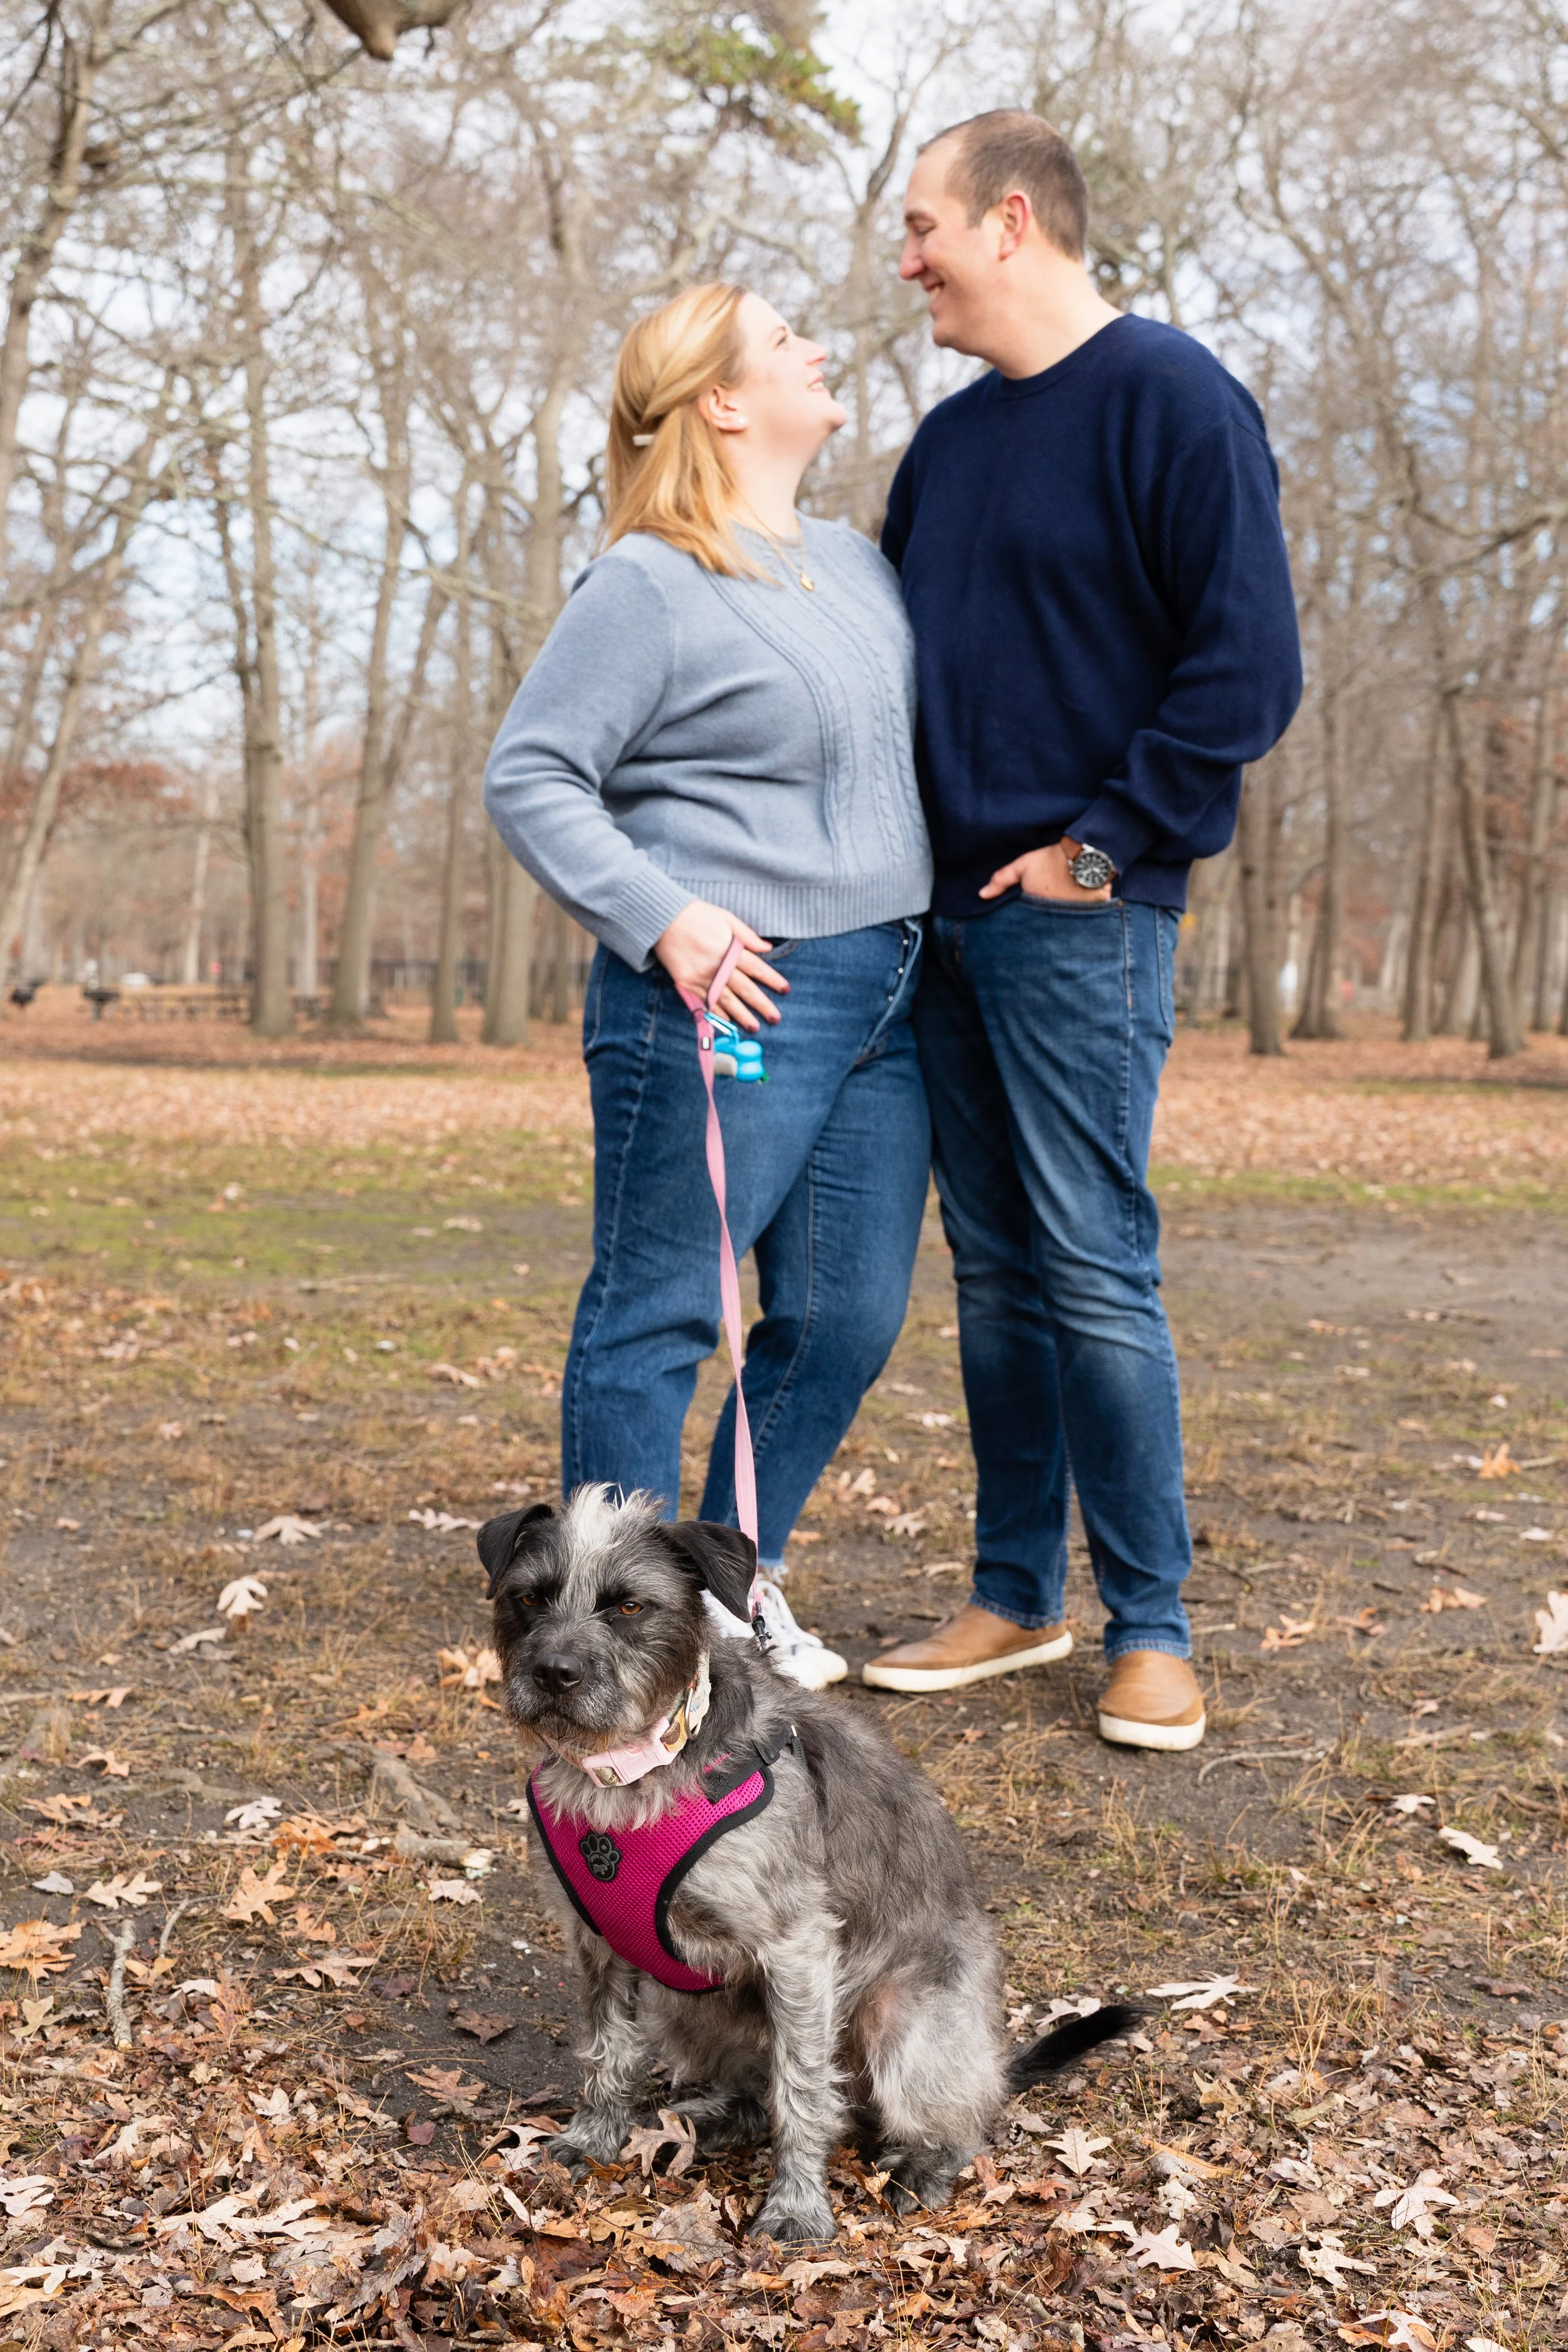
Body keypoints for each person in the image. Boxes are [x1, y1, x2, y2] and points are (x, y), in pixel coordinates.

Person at [865, 112, 1302, 1749]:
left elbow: (1245, 669)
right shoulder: (949, 445)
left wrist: (1102, 849)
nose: (903, 257)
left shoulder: (1173, 399)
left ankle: (1153, 1624)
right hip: (943, 921)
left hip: (1080, 916)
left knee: (1091, 1265)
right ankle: (1008, 1588)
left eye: (920, 224)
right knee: (992, 1275)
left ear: (1012, 220)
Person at [484, 282, 932, 1691]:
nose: (818, 343)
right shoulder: (646, 581)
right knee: (660, 1307)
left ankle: (719, 1590)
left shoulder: (855, 564)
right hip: (727, 996)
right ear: (723, 400)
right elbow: (531, 771)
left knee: (847, 1315)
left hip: (885, 988)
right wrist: (661, 915)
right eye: (783, 334)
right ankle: (594, 1637)